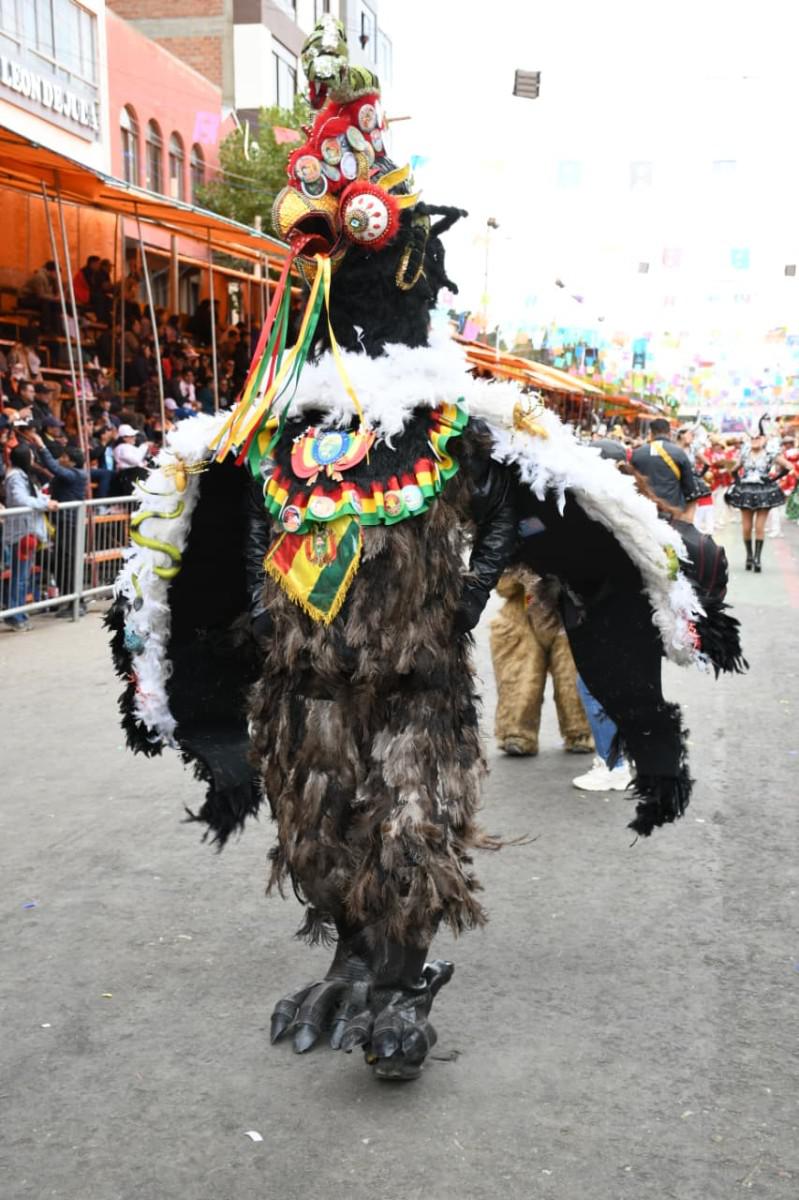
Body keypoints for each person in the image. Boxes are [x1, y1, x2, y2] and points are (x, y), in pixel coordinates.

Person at [108, 15, 745, 1087]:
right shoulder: (268, 428)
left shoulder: (460, 421)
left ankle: (399, 989)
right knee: (318, 831)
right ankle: (351, 963)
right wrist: (223, 668)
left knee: (406, 834)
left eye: (353, 228)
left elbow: (573, 530)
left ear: (408, 258)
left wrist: (621, 686)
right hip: (301, 690)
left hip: (414, 692)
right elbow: (210, 546)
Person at [490, 567, 593, 756]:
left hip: (568, 610)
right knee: (520, 677)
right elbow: (502, 585)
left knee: (572, 677)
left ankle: (580, 731)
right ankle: (517, 733)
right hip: (522, 613)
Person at [2, 443, 58, 629]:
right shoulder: (16, 477)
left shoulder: (22, 476)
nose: (33, 460)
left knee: (22, 576)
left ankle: (17, 613)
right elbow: (20, 499)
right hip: (21, 531)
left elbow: (31, 496)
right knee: (20, 577)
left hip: (28, 529)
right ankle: (15, 615)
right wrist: (43, 504)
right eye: (31, 456)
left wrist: (46, 501)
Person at [725, 420, 792, 572]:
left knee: (760, 527)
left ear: (764, 439)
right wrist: (738, 482)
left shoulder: (770, 454)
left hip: (764, 492)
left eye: (759, 438)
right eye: (753, 438)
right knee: (747, 527)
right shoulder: (744, 454)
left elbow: (788, 466)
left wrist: (772, 479)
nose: (755, 440)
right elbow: (734, 470)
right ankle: (749, 556)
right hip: (746, 491)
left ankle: (757, 558)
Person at [631, 417, 698, 511]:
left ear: (651, 434)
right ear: (669, 433)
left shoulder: (637, 453)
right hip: (672, 508)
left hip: (643, 508)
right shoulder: (679, 453)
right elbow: (689, 487)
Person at [19, 261, 61, 332]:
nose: (58, 276)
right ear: (52, 271)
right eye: (57, 273)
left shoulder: (51, 279)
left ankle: (56, 329)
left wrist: (56, 284)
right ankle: (45, 328)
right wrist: (54, 298)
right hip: (25, 300)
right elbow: (40, 295)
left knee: (55, 305)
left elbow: (55, 293)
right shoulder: (39, 277)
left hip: (37, 299)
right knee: (46, 304)